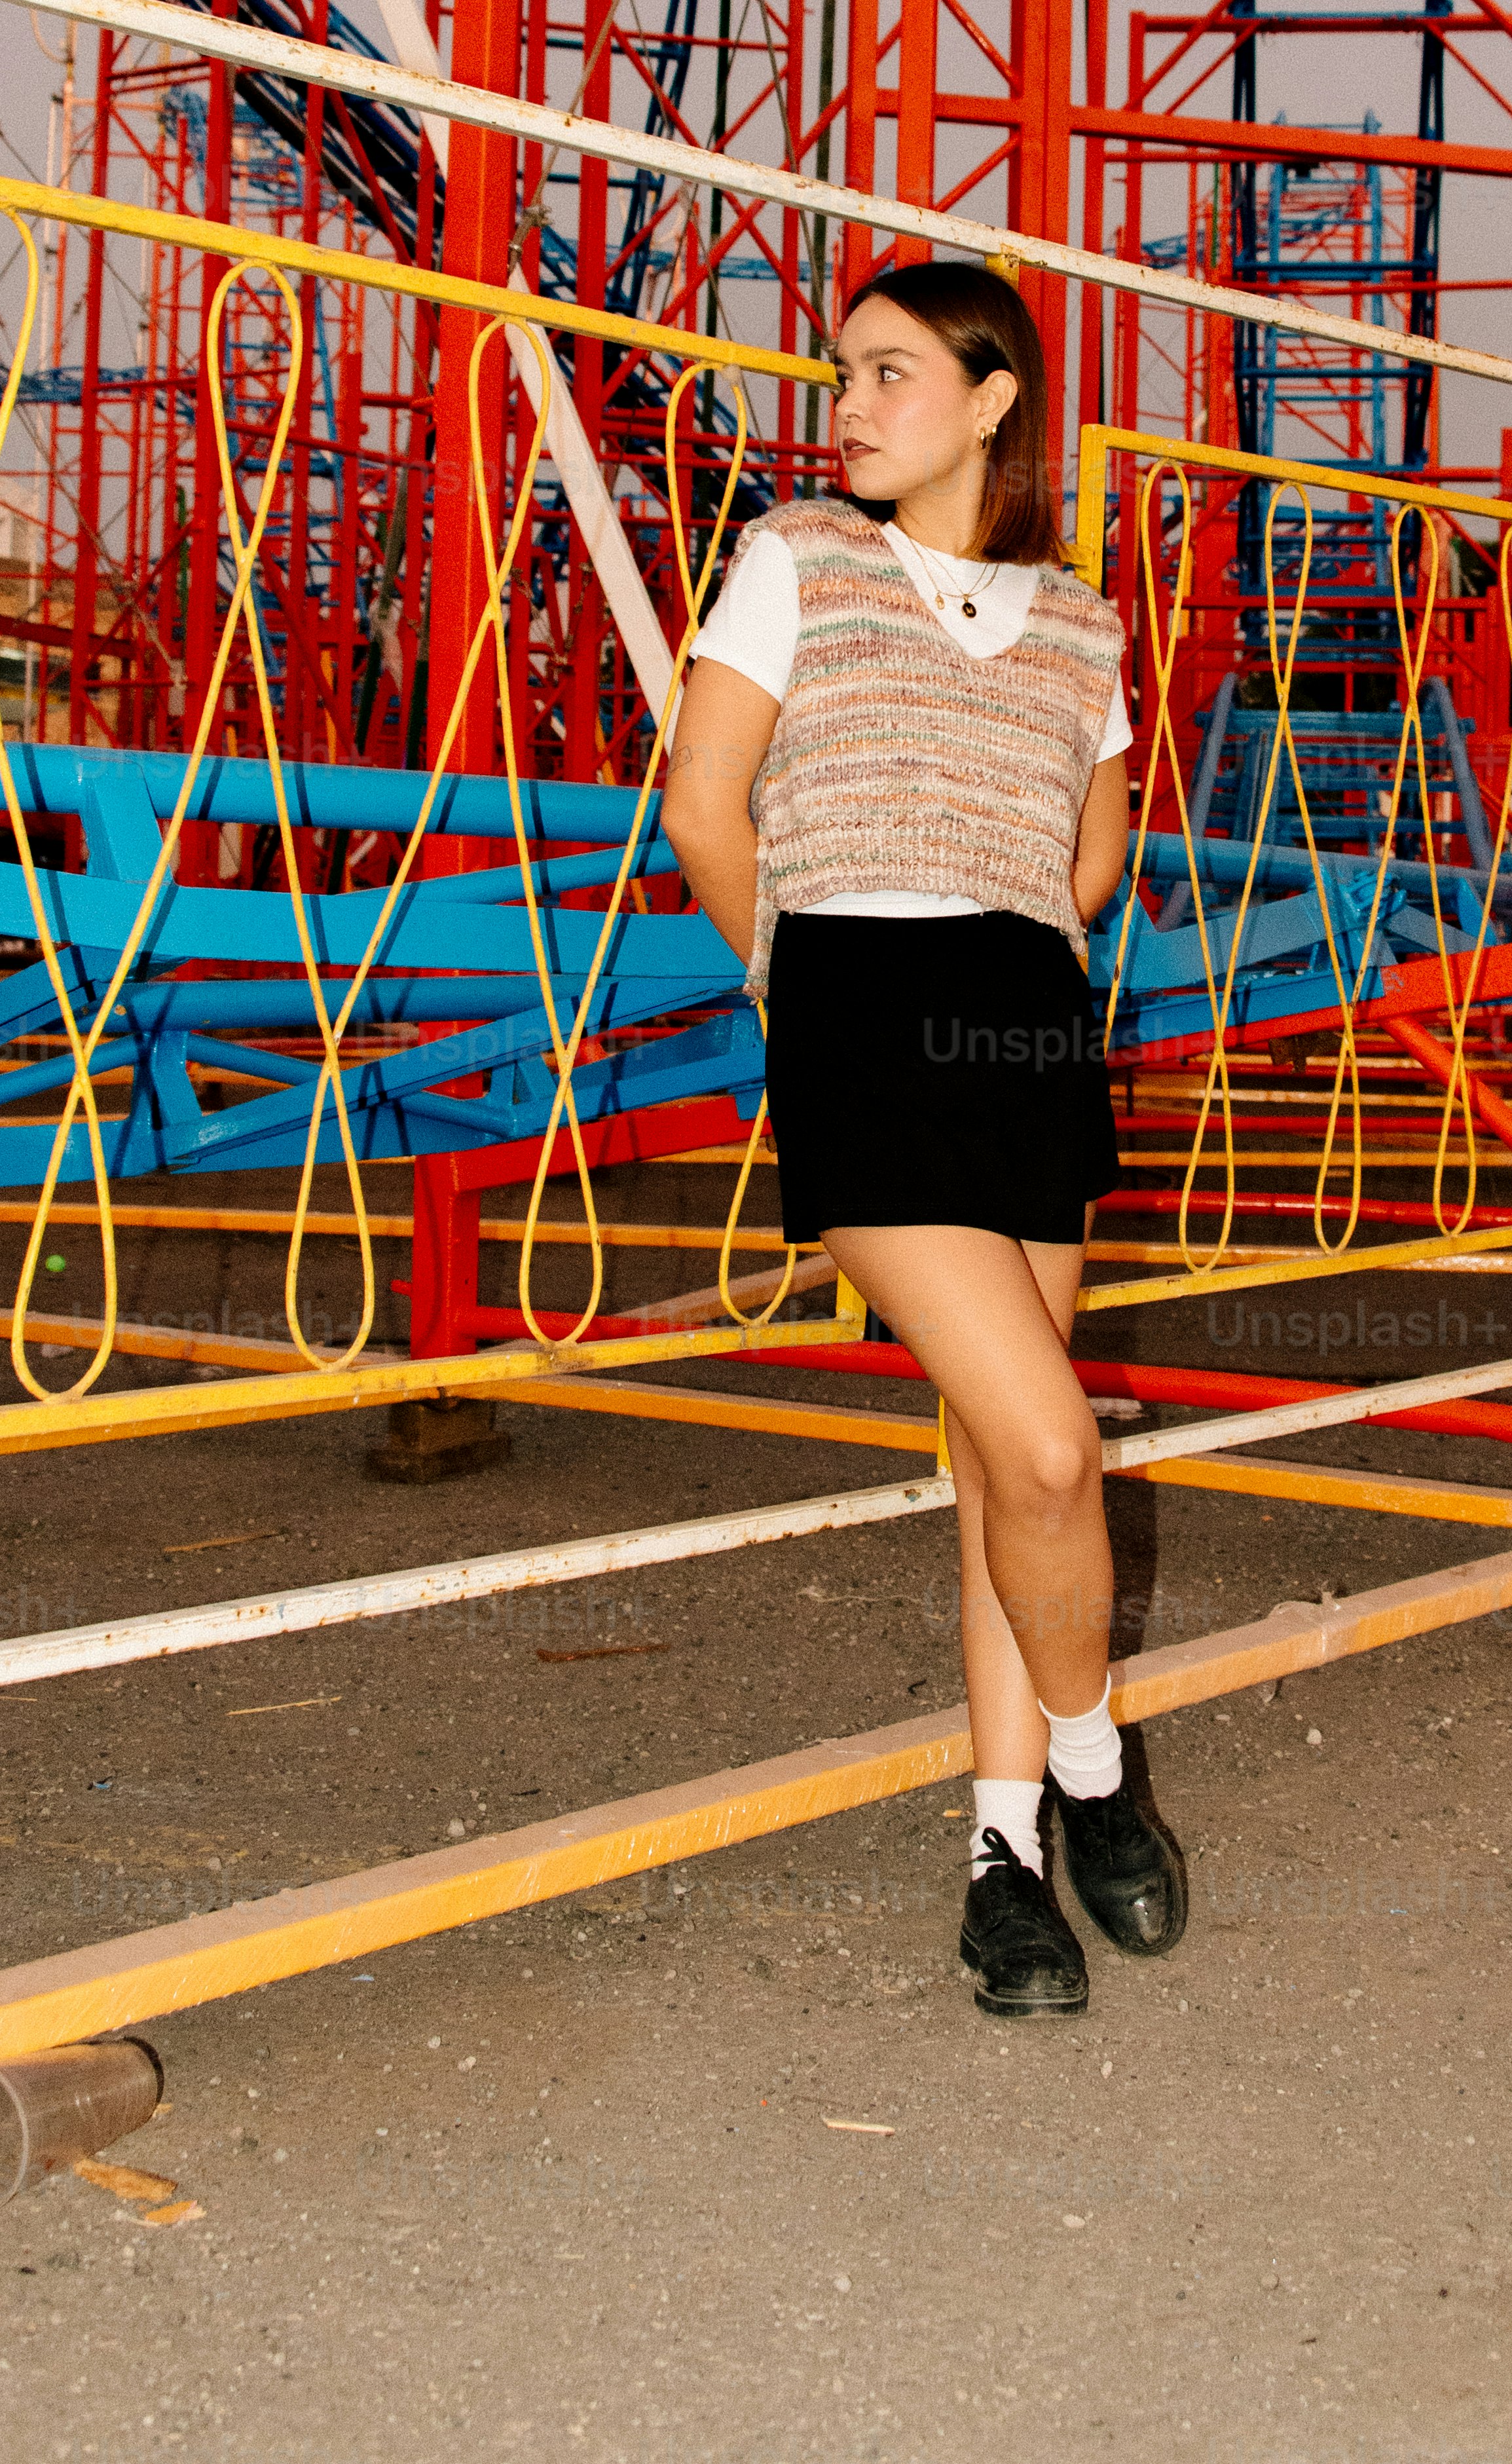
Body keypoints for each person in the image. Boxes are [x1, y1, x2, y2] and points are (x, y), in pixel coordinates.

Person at [661, 261, 1187, 2018]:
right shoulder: (798, 556)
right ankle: (1095, 1770)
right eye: (843, 373)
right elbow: (703, 804)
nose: (848, 404)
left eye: (890, 372)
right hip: (857, 1016)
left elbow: (1089, 856)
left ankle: (1000, 1852)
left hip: (1023, 1023)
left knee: (996, 1476)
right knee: (1051, 1450)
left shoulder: (1083, 623)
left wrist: (999, 931)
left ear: (991, 398)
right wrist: (794, 979)